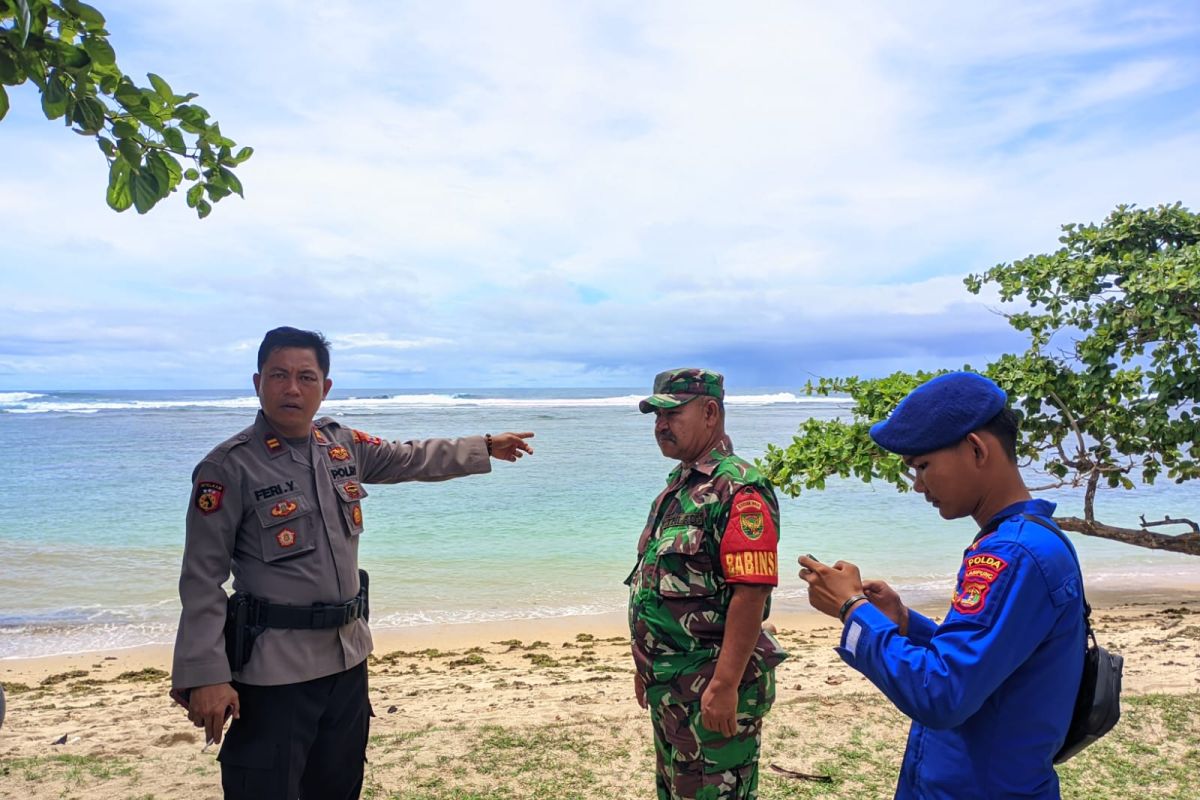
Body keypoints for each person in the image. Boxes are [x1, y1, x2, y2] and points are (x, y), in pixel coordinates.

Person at [170, 326, 534, 800]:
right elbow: (201, 578)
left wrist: (482, 446)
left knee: (339, 789)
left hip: (347, 661)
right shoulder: (228, 467)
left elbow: (410, 457)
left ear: (326, 387)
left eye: (306, 376)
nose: (292, 388)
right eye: (279, 375)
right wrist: (206, 675)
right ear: (257, 382)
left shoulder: (341, 445)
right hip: (274, 671)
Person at [798, 371, 1085, 799]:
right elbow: (990, 658)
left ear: (975, 448)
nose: (918, 485)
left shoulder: (1011, 555)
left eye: (923, 465)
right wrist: (905, 623)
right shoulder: (1029, 538)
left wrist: (852, 610)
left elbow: (940, 693)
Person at [628, 368, 787, 800]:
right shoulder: (680, 486)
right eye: (656, 417)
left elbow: (751, 591)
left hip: (710, 691)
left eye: (672, 414)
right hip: (672, 688)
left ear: (710, 412)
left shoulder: (739, 488)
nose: (660, 426)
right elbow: (656, 582)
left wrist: (725, 685)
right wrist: (645, 664)